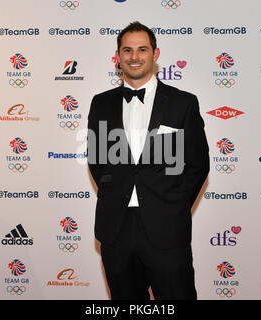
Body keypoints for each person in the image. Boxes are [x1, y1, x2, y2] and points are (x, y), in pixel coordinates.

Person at [87, 21, 209, 300]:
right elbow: (96, 162)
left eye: (142, 49)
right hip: (116, 228)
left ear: (155, 54)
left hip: (166, 227)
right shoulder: (100, 103)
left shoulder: (183, 103)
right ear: (117, 56)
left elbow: (198, 164)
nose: (134, 56)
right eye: (127, 50)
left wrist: (172, 204)